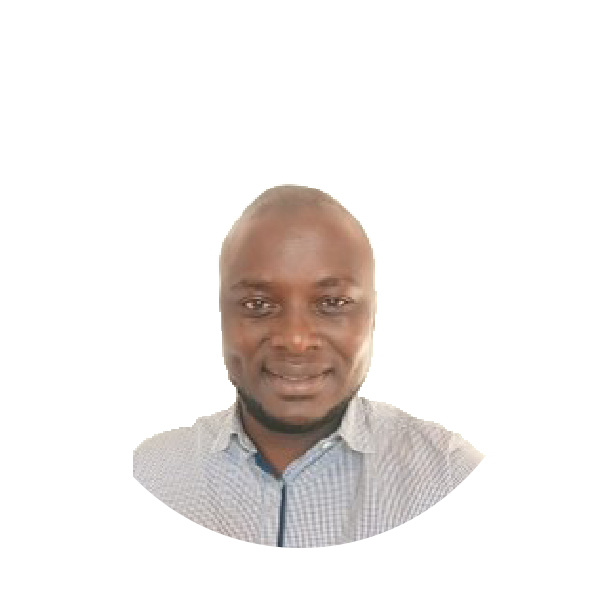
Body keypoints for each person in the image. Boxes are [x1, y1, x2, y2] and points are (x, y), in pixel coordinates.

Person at [133, 184, 491, 548]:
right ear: (221, 313)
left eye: (332, 303)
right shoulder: (142, 480)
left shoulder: (462, 491)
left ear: (373, 314)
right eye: (257, 304)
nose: (296, 339)